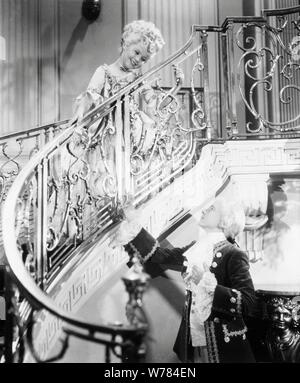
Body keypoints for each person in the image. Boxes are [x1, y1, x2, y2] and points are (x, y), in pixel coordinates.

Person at [115, 196, 258, 363]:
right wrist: (133, 222)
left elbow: (248, 302)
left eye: (211, 209)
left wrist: (206, 282)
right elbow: (159, 256)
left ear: (225, 221)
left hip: (222, 342)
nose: (204, 210)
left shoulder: (234, 254)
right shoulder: (197, 247)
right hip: (194, 338)